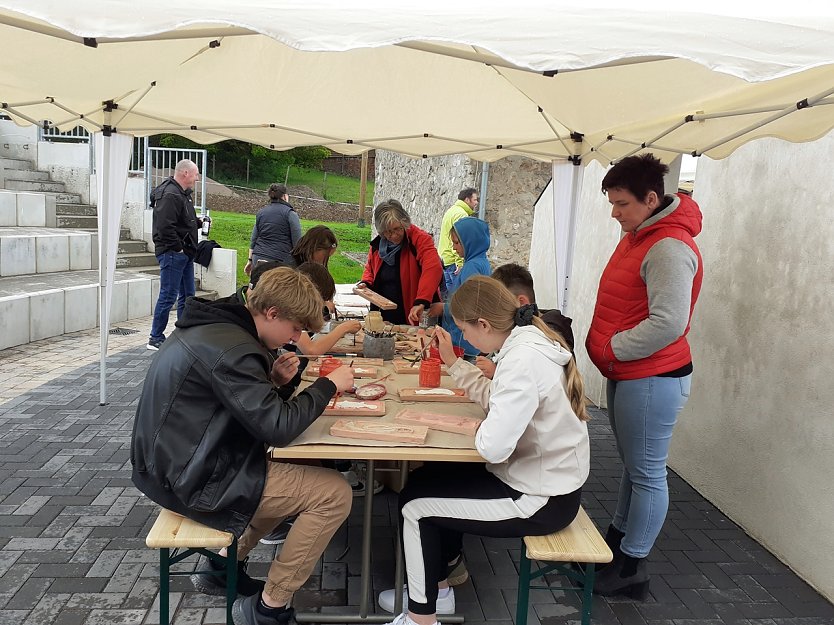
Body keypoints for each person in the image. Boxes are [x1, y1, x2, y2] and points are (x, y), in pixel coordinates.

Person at [131, 267, 355, 625]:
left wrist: (278, 384)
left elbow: (250, 413)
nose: (297, 337)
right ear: (271, 313)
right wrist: (327, 386)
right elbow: (278, 429)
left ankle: (222, 566)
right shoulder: (234, 348)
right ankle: (270, 607)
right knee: (333, 494)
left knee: (298, 481)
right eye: (295, 328)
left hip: (171, 464)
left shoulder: (221, 328)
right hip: (192, 478)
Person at [378, 276, 590, 624]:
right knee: (426, 478)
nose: (464, 338)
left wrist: (479, 429)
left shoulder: (522, 360)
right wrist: (452, 362)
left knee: (416, 507)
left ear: (484, 324)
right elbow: (497, 400)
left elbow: (492, 447)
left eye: (465, 329)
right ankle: (438, 592)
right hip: (545, 482)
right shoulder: (528, 341)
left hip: (539, 499)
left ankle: (420, 618)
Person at [585, 153, 703, 599]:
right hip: (631, 375)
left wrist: (613, 349)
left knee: (649, 473)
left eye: (621, 204)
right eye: (612, 203)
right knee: (635, 470)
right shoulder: (640, 234)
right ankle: (616, 545)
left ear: (651, 199)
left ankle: (633, 566)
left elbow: (669, 321)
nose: (614, 213)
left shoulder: (668, 246)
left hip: (652, 378)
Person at [474, 263, 575, 379]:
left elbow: (538, 379)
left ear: (522, 302)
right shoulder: (521, 329)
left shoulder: (547, 335)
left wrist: (497, 372)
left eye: (500, 304)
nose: (495, 312)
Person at [147, 159, 202, 351]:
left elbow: (180, 220)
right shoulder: (170, 194)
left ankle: (183, 333)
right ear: (185, 173)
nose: (197, 178)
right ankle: (155, 337)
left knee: (188, 295)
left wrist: (197, 222)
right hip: (173, 253)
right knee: (169, 295)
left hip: (184, 252)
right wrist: (177, 248)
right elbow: (164, 227)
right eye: (195, 174)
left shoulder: (181, 193)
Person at [359, 200, 443, 325]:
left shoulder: (419, 239)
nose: (393, 235)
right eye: (387, 231)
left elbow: (433, 268)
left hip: (412, 311)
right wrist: (366, 283)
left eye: (397, 229)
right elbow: (370, 268)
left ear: (404, 223)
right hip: (384, 313)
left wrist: (421, 300)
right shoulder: (378, 246)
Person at [428, 216, 491, 358]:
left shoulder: (472, 266)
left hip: (463, 343)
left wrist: (443, 308)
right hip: (467, 342)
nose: (453, 248)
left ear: (470, 243)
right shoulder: (480, 261)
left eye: (456, 243)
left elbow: (471, 306)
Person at [245, 183, 301, 274]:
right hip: (281, 259)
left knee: (255, 285)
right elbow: (297, 242)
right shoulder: (290, 214)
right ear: (285, 196)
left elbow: (253, 239)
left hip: (258, 257)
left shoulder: (261, 212)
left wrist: (250, 260)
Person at [437, 188, 479, 293]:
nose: (477, 203)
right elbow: (458, 239)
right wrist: (460, 263)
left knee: (449, 297)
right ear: (467, 200)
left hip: (446, 258)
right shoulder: (461, 215)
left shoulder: (451, 211)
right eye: (475, 199)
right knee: (458, 297)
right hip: (454, 262)